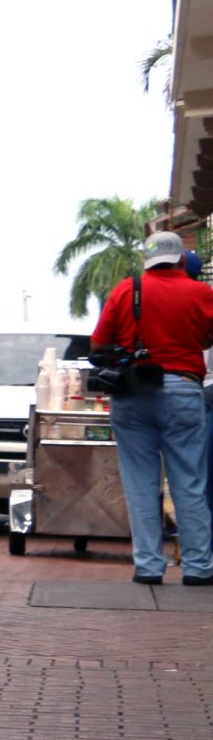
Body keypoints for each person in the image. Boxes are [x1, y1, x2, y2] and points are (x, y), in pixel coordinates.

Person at [92, 230, 213, 586]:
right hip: (183, 390)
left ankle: (148, 566)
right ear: (179, 259)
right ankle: (198, 568)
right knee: (189, 483)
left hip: (132, 393)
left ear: (148, 260)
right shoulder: (201, 292)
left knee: (140, 484)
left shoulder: (127, 290)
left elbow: (100, 343)